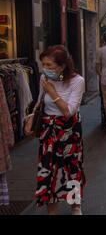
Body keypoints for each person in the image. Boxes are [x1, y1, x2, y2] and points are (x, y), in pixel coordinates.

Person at [24, 45, 86, 215]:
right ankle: (52, 208)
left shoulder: (77, 81)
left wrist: (53, 92)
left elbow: (68, 111)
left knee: (72, 168)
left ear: (62, 66)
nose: (45, 69)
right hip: (48, 131)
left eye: (49, 65)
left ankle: (75, 205)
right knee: (48, 169)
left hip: (69, 131)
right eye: (43, 64)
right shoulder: (44, 78)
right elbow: (39, 102)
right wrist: (31, 118)